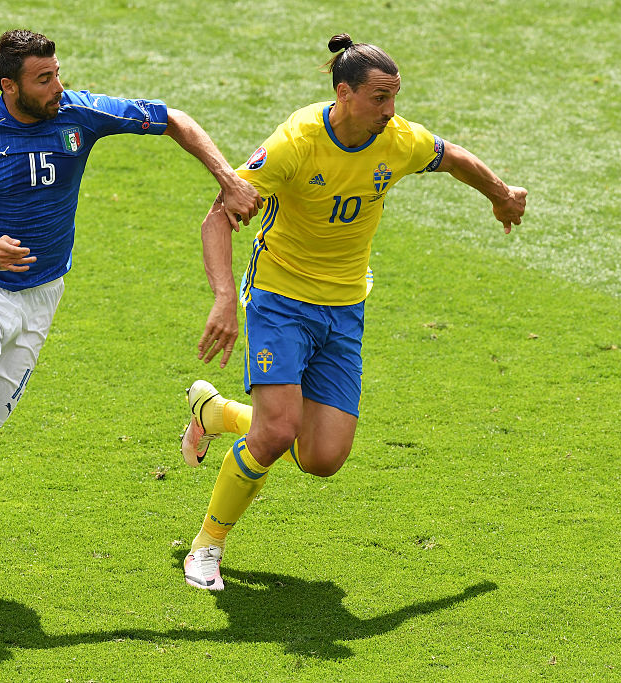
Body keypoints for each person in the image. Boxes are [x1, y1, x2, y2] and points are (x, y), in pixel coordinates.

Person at [0, 29, 262, 608]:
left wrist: (228, 178)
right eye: (43, 79)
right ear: (9, 85)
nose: (57, 86)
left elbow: (175, 119)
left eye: (57, 73)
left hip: (41, 297)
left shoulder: (80, 114)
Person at [179, 34, 527, 590]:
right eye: (380, 98)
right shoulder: (295, 142)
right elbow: (218, 216)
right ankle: (207, 547)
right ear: (344, 94)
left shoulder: (397, 140)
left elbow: (452, 156)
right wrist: (224, 298)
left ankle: (215, 415)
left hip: (344, 307)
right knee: (274, 436)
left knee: (321, 457)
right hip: (280, 298)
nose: (391, 111)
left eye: (395, 97)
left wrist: (500, 194)